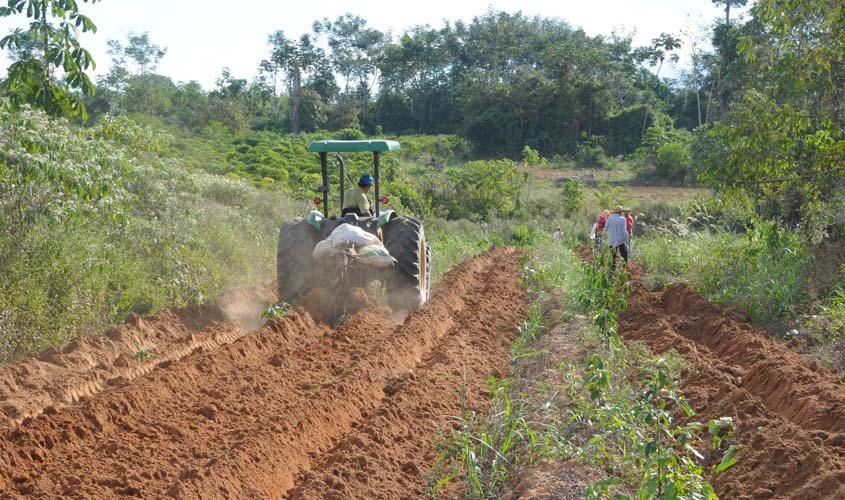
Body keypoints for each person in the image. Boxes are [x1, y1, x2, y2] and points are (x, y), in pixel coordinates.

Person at [606, 206, 629, 272]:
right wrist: (625, 240)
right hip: (620, 240)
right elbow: (624, 232)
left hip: (611, 240)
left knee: (612, 256)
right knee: (624, 255)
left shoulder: (609, 219)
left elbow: (606, 229)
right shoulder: (623, 219)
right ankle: (624, 269)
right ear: (620, 212)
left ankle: (612, 269)